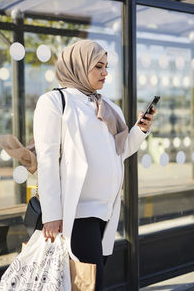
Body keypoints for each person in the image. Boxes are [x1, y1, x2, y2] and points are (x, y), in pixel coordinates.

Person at [33, 39, 155, 291]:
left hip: (105, 211)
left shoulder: (108, 107)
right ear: (77, 66)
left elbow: (119, 152)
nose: (105, 73)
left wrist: (140, 130)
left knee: (85, 282)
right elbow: (46, 160)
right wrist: (52, 214)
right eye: (98, 66)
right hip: (77, 213)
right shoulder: (55, 102)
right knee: (90, 283)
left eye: (106, 66)